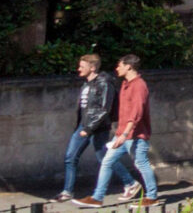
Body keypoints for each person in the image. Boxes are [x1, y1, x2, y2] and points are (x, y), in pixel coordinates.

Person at [79, 55, 156, 207]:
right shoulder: (126, 84)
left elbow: (137, 113)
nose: (117, 68)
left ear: (129, 67)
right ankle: (97, 197)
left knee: (141, 163)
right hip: (122, 134)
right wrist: (119, 133)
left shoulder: (139, 85)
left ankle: (152, 197)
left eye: (120, 66)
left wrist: (125, 134)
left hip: (136, 135)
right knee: (107, 162)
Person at [62, 54, 115, 203]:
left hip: (97, 127)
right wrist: (82, 126)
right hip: (83, 125)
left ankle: (129, 182)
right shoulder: (86, 84)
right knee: (70, 157)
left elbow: (105, 109)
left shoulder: (104, 83)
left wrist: (90, 128)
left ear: (92, 68)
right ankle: (67, 191)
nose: (78, 69)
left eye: (82, 67)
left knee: (103, 158)